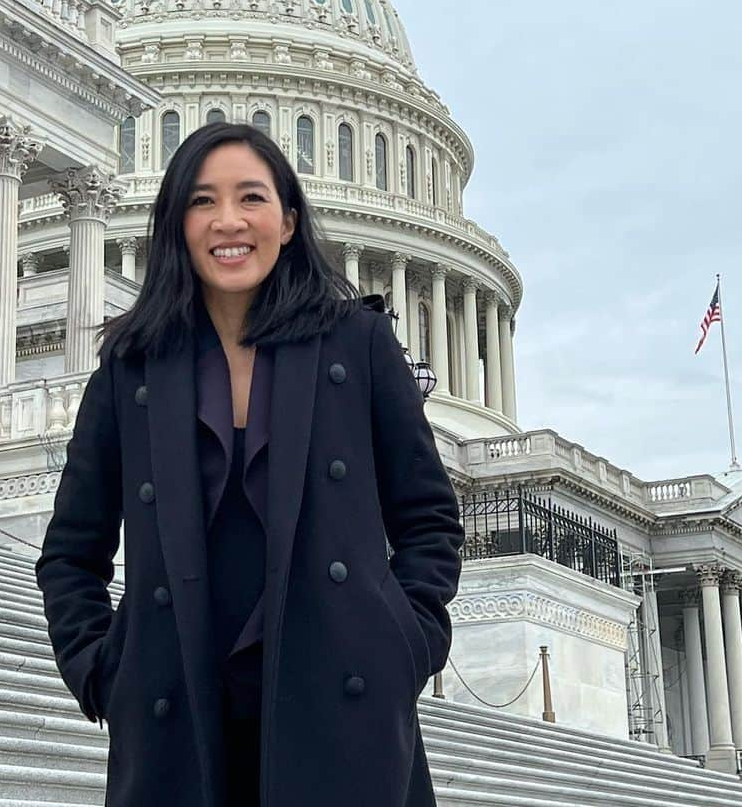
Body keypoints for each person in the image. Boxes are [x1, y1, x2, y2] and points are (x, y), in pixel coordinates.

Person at [35, 121, 465, 807]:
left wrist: (405, 643)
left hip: (340, 706)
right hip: (179, 714)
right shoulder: (130, 370)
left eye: (251, 199)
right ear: (176, 224)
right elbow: (70, 551)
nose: (228, 221)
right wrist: (100, 668)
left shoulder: (357, 347)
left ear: (289, 221)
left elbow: (429, 522)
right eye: (202, 201)